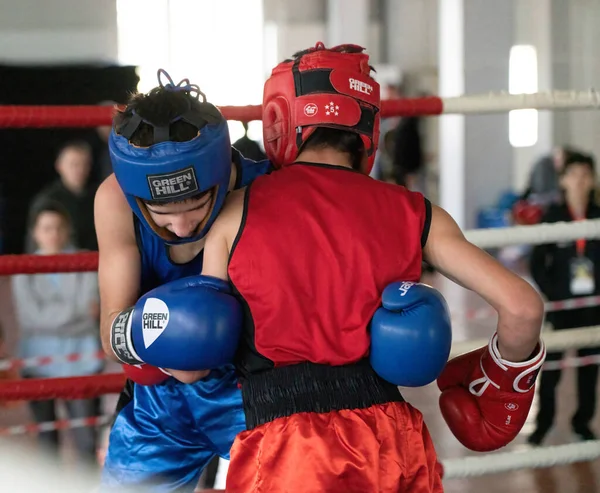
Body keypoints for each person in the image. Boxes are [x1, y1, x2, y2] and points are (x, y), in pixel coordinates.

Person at [192, 42, 547, 492]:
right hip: (393, 444)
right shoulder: (416, 212)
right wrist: (501, 385)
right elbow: (523, 307)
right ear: (368, 126)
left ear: (279, 119)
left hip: (290, 451)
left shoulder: (234, 213)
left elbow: (197, 358)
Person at [94, 70, 271, 491]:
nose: (180, 224)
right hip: (161, 401)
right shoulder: (115, 202)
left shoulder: (267, 192)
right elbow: (110, 330)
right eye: (161, 212)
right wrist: (169, 342)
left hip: (258, 390)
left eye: (195, 204)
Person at [11, 202, 102, 469]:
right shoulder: (22, 268)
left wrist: (50, 317)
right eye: (46, 228)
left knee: (86, 440)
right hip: (37, 362)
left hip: (82, 362)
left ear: (68, 230)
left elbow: (90, 313)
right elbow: (29, 318)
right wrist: (76, 314)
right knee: (46, 441)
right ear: (35, 232)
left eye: (59, 227)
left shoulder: (87, 259)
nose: (53, 233)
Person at [528, 152, 600, 445]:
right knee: (552, 369)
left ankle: (582, 424)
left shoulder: (597, 215)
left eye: (586, 174)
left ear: (593, 179)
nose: (580, 181)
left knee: (589, 370)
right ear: (563, 180)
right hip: (561, 306)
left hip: (593, 307)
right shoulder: (553, 217)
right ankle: (543, 425)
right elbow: (536, 262)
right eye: (574, 174)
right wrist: (553, 293)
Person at [27, 140, 97, 252]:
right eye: (74, 164)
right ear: (59, 165)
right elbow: (33, 243)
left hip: (94, 262)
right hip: (55, 263)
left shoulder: (98, 196)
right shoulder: (47, 200)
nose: (80, 170)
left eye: (85, 164)